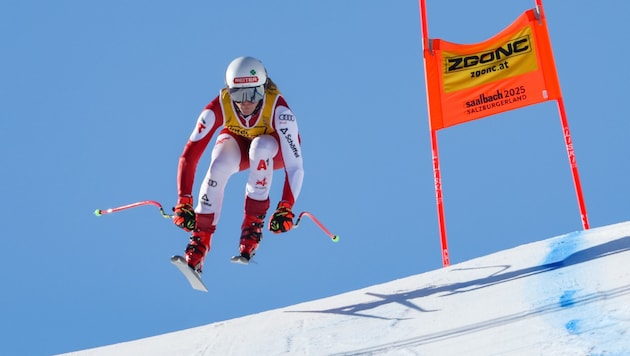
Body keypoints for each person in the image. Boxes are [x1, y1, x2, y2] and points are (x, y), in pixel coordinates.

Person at [171, 56, 304, 272]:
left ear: (263, 88)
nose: (246, 102)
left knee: (260, 147)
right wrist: (184, 200)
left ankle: (252, 229)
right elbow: (190, 155)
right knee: (218, 165)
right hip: (239, 144)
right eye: (238, 95)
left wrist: (286, 206)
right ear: (228, 91)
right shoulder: (220, 105)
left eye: (253, 93)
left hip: (274, 149)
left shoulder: (280, 111)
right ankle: (199, 245)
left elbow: (295, 165)